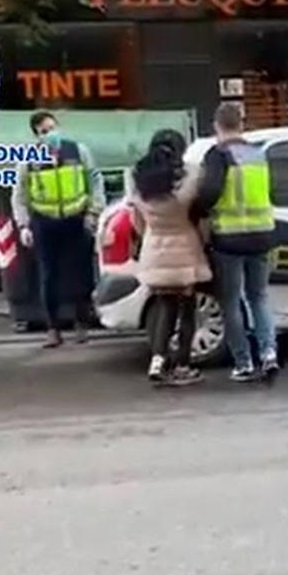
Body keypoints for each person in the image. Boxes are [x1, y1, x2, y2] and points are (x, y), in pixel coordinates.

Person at [196, 102, 279, 382]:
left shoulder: (218, 155)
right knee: (259, 297)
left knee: (231, 301)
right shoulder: (258, 154)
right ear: (241, 123)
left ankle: (244, 363)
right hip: (263, 234)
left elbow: (208, 192)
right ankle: (269, 353)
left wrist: (196, 212)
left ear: (217, 125)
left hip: (230, 238)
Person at [11, 111, 106, 348]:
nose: (50, 134)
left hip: (77, 220)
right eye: (44, 131)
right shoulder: (29, 160)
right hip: (45, 223)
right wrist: (23, 225)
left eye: (52, 128)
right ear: (37, 136)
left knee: (81, 276)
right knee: (48, 277)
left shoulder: (77, 151)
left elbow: (94, 180)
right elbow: (19, 195)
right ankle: (53, 329)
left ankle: (81, 324)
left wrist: (93, 213)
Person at [127, 129, 211, 386]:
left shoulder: (139, 179)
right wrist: (205, 242)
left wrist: (149, 237)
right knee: (187, 310)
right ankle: (183, 366)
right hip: (185, 247)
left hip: (154, 247)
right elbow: (202, 218)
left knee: (165, 306)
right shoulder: (190, 177)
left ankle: (157, 361)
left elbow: (137, 222)